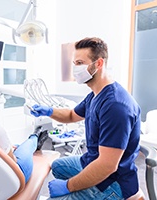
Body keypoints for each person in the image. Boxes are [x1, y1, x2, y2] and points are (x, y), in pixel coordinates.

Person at [30, 37, 141, 199]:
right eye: (75, 63)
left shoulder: (116, 106)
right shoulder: (94, 95)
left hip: (113, 182)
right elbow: (71, 115)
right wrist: (48, 111)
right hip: (92, 160)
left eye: (80, 63)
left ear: (99, 64)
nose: (75, 69)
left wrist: (69, 186)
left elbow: (107, 166)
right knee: (56, 167)